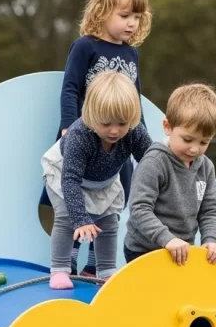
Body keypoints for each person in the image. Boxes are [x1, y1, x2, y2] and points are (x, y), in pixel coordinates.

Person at [41, 0, 152, 277]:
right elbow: (71, 87)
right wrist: (67, 125)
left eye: (138, 17)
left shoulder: (131, 54)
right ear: (103, 11)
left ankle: (95, 266)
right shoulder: (85, 47)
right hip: (85, 136)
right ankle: (70, 258)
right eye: (126, 15)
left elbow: (135, 99)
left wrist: (142, 138)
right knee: (74, 197)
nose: (132, 23)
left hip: (118, 142)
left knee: (111, 205)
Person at [41, 71, 154, 290]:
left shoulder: (133, 132)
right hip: (67, 176)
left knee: (110, 223)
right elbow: (70, 179)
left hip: (105, 182)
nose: (114, 131)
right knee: (65, 219)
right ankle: (59, 269)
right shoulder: (79, 136)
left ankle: (106, 272)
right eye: (106, 124)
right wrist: (81, 219)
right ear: (92, 116)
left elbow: (150, 162)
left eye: (122, 123)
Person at [123, 83, 216, 266]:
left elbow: (209, 210)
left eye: (204, 142)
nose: (194, 149)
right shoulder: (155, 162)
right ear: (168, 127)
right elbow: (139, 209)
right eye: (187, 139)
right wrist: (167, 239)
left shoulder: (205, 167)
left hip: (182, 251)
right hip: (145, 250)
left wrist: (211, 239)